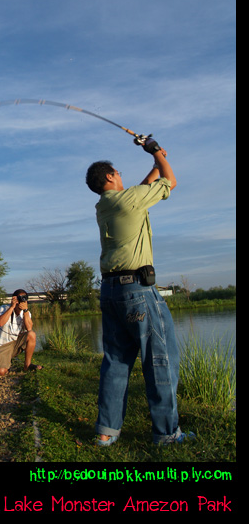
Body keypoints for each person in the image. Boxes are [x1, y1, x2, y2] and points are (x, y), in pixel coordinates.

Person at [85, 137, 195, 446]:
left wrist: (154, 162)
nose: (121, 176)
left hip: (109, 292)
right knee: (160, 359)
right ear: (109, 177)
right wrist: (156, 151)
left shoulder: (105, 205)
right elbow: (169, 180)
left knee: (117, 362)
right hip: (137, 291)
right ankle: (166, 433)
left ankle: (106, 433)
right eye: (117, 173)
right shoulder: (128, 200)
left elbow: (145, 185)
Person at [0, 289, 43, 375]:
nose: (22, 301)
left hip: (15, 343)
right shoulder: (4, 308)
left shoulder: (26, 313)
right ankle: (0, 362)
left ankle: (27, 365)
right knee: (0, 372)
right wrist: (12, 307)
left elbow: (29, 328)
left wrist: (25, 311)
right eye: (20, 298)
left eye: (24, 298)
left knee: (32, 334)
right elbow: (0, 322)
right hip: (1, 346)